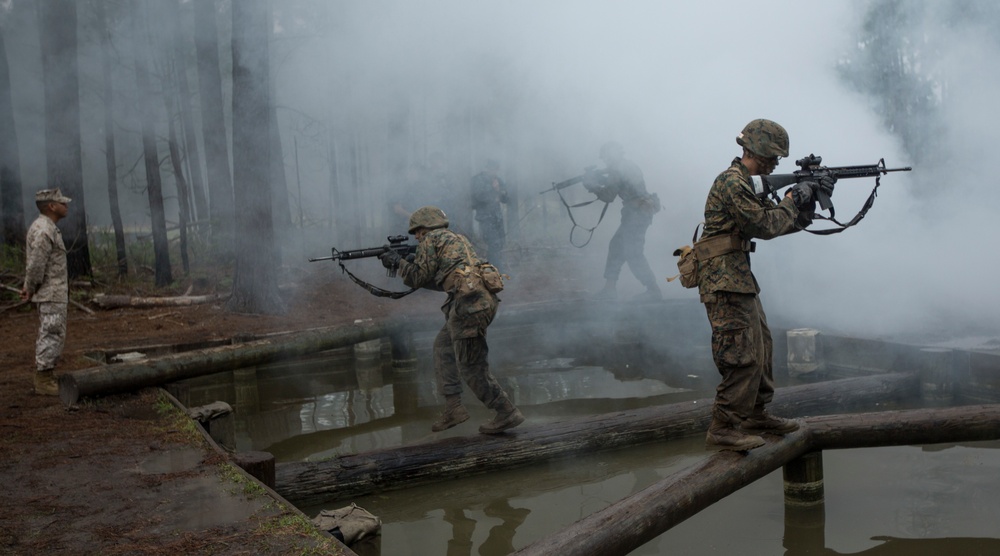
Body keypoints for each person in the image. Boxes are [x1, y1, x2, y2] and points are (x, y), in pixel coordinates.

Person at [698, 119, 835, 451]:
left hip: (738, 278)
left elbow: (777, 222)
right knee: (740, 354)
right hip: (722, 279)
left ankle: (756, 414)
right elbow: (764, 224)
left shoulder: (745, 183)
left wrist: (806, 205)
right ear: (753, 149)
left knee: (763, 347)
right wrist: (792, 197)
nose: (777, 162)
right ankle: (724, 426)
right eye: (772, 155)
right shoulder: (732, 183)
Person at [378, 206, 524, 434]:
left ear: (426, 228)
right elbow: (442, 279)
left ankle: (506, 411)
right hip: (475, 303)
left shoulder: (431, 239)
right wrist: (408, 260)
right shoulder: (455, 239)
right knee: (443, 348)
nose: (416, 237)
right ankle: (454, 407)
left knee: (472, 367)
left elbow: (418, 278)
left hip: (469, 307)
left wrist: (399, 263)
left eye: (417, 231)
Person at [588, 141, 662, 301]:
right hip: (638, 213)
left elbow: (608, 196)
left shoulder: (617, 169)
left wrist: (592, 186)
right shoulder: (627, 165)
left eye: (606, 157)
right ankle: (609, 289)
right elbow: (621, 184)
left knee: (633, 253)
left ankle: (653, 290)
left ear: (612, 155)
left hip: (636, 214)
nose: (605, 160)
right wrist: (602, 180)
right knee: (616, 246)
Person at [20, 188, 71, 396]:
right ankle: (43, 378)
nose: (66, 206)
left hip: (54, 292)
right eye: (62, 203)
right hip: (50, 292)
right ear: (51, 206)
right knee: (50, 332)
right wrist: (29, 288)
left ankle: (47, 374)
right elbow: (36, 265)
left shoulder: (48, 227)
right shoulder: (44, 229)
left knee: (55, 332)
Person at [469, 158, 509, 272]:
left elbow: (505, 198)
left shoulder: (498, 180)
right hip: (485, 217)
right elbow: (479, 197)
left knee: (500, 242)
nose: (494, 172)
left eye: (496, 169)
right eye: (491, 169)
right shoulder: (477, 180)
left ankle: (493, 269)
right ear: (486, 168)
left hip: (497, 217)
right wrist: (494, 191)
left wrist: (499, 191)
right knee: (493, 243)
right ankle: (497, 270)